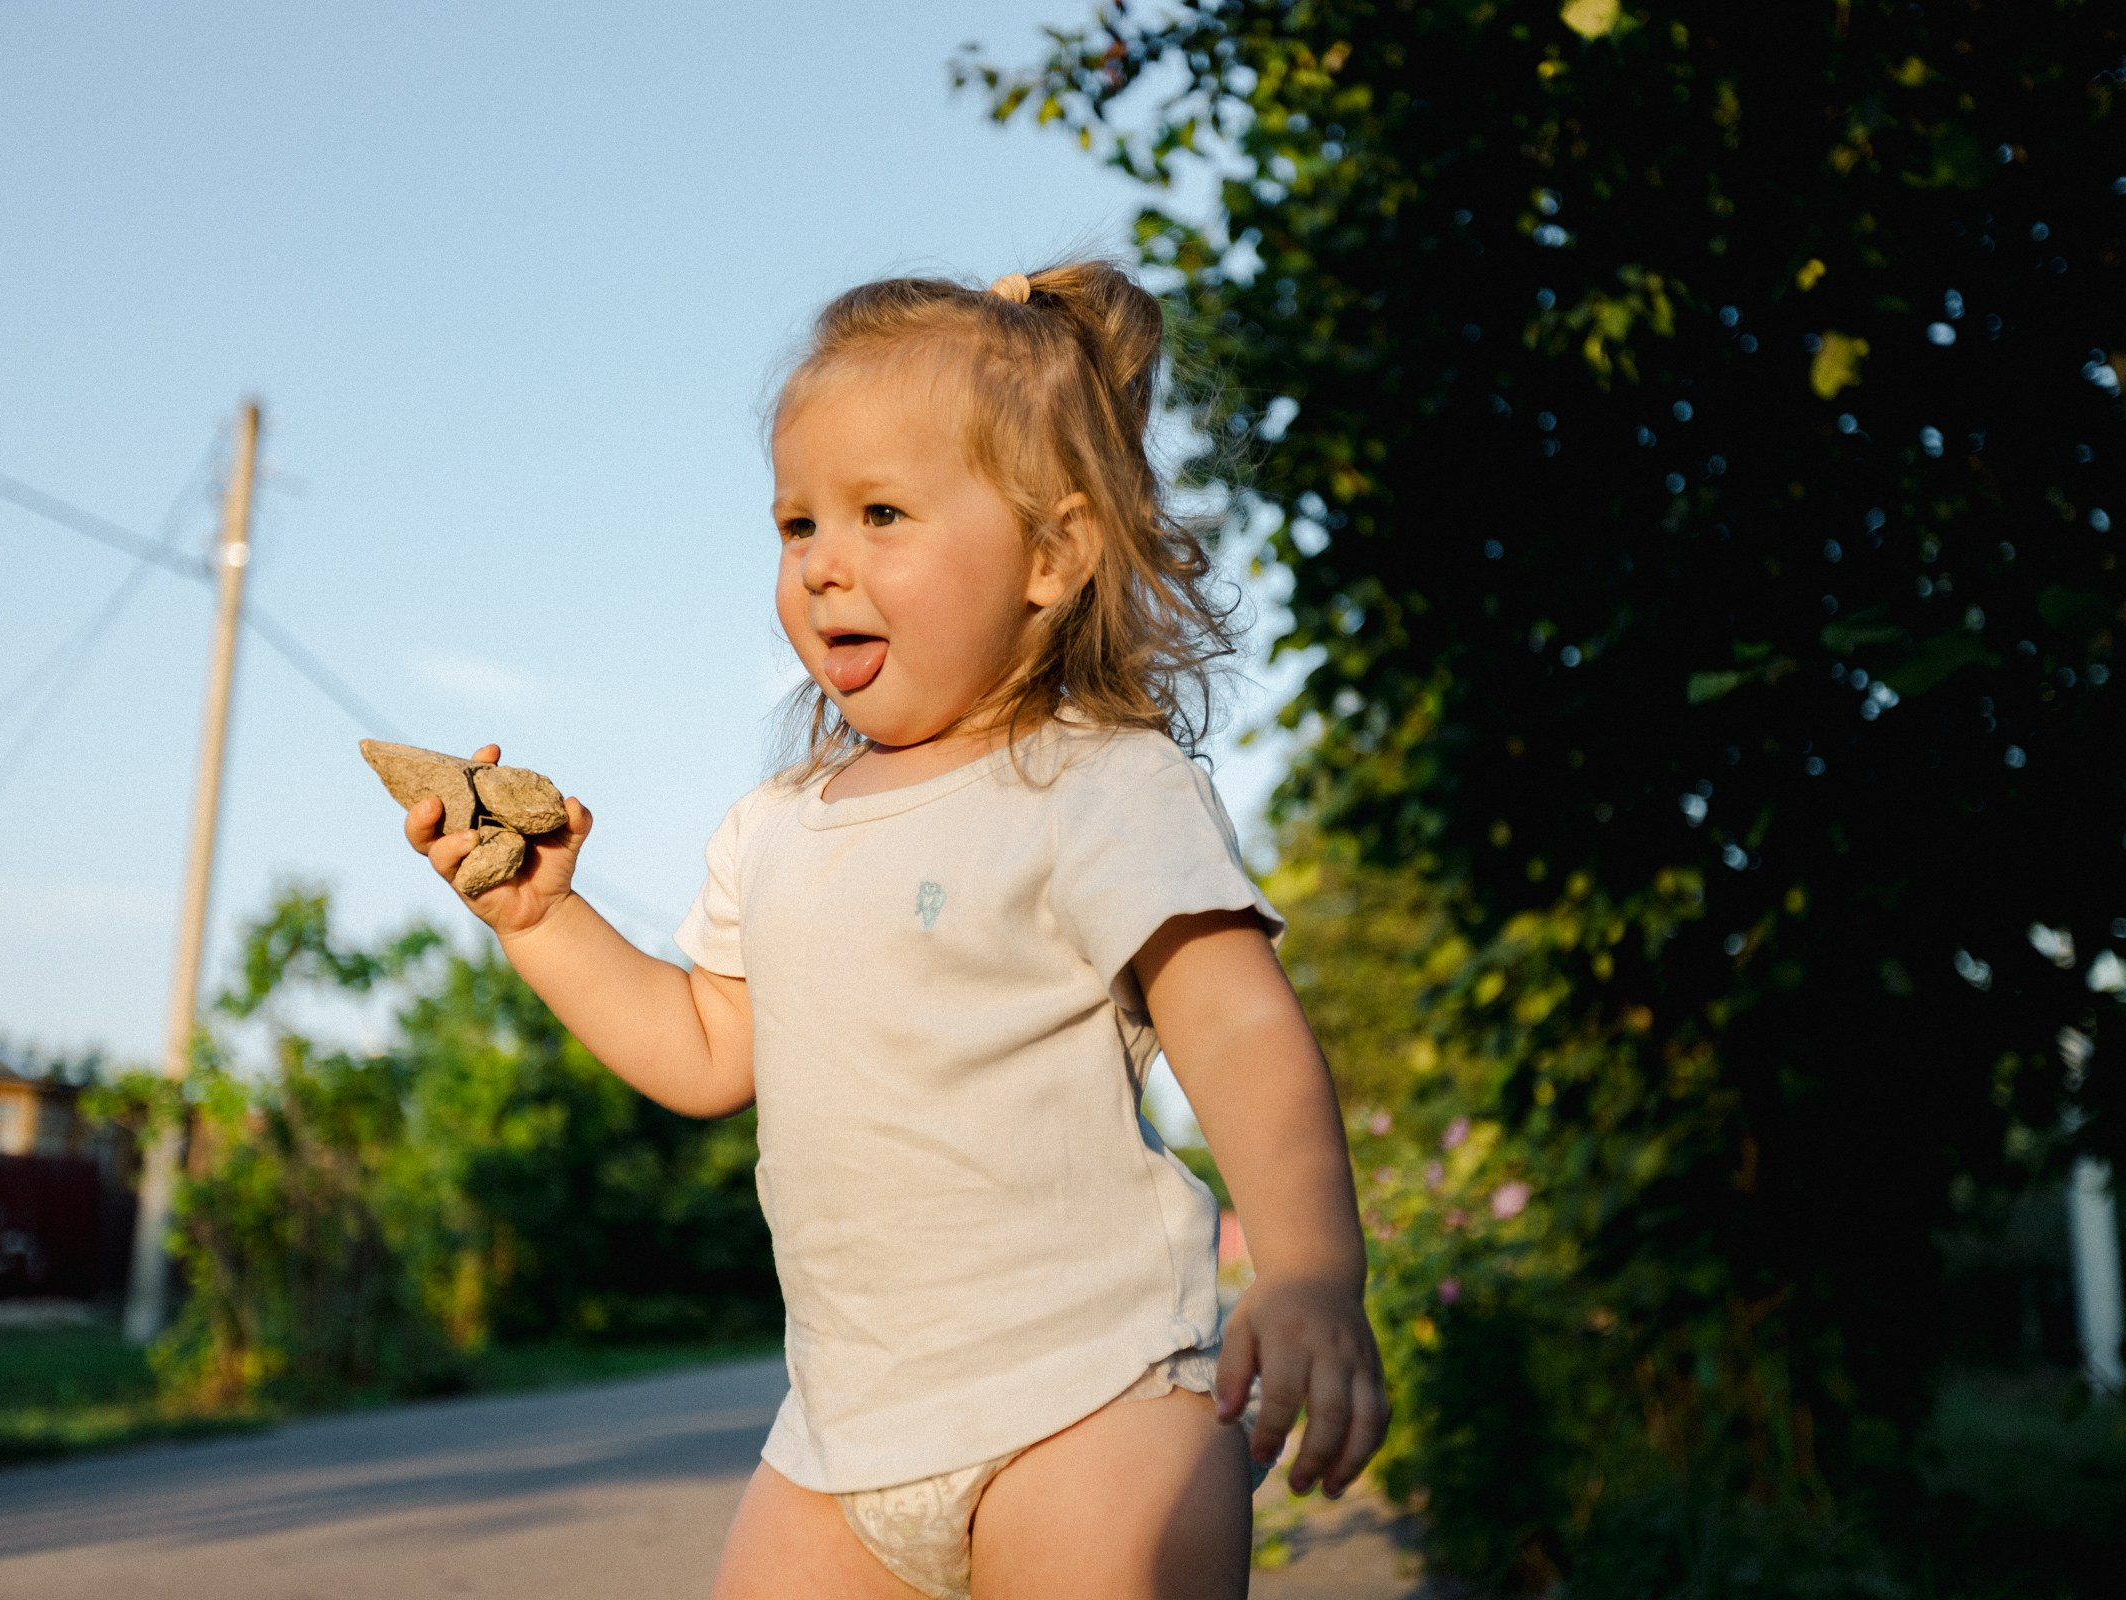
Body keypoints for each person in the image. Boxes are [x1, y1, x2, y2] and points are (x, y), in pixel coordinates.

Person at [399, 260, 1387, 1598]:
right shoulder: (778, 826)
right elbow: (704, 1047)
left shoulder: (1096, 782)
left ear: (1054, 553)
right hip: (836, 1443)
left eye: (879, 514)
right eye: (796, 525)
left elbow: (1234, 1020)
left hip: (1090, 1400)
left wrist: (1314, 1264)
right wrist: (544, 917)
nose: (822, 567)